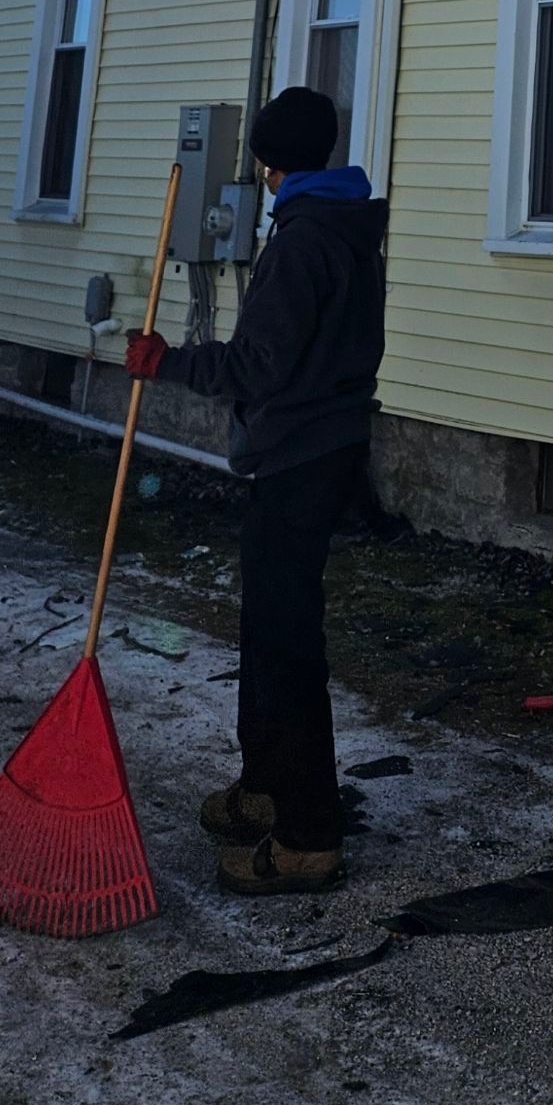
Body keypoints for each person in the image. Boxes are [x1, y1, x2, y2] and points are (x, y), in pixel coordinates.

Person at [124, 85, 386, 896]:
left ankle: (307, 835)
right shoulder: (343, 223)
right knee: (267, 629)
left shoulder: (307, 239)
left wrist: (170, 362)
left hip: (300, 457)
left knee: (283, 646)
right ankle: (267, 788)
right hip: (317, 449)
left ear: (272, 166)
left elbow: (258, 365)